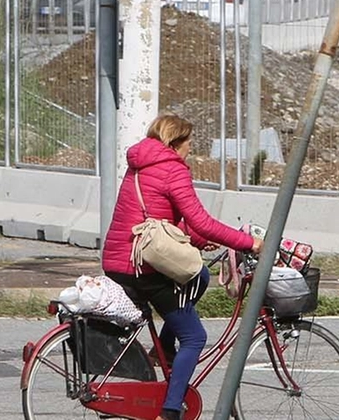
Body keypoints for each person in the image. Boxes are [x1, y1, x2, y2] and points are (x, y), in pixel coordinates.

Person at [102, 114, 262, 420]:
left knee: (199, 275)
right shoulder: (172, 169)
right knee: (195, 337)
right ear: (175, 143)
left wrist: (200, 241)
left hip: (118, 260)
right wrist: (247, 242)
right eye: (189, 142)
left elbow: (167, 220)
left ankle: (163, 347)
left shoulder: (139, 166)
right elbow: (200, 220)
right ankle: (171, 410)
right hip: (143, 267)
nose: (191, 148)